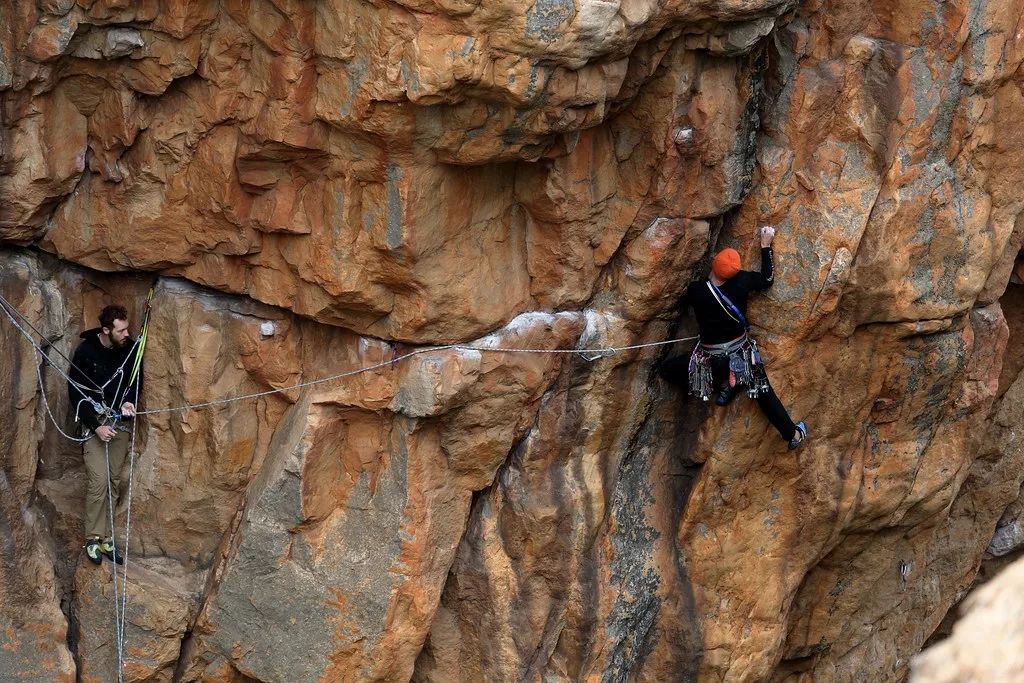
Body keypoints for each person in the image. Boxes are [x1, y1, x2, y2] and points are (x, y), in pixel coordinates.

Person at [660, 226, 806, 449]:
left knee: (667, 369)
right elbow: (767, 279)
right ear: (735, 271)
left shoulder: (696, 291)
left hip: (711, 363)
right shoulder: (742, 282)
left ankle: (722, 384)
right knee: (765, 396)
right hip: (742, 358)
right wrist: (765, 245)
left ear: (714, 264)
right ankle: (793, 435)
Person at [67, 304, 143, 565]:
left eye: (127, 328)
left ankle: (107, 538)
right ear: (106, 330)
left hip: (119, 422)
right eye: (121, 330)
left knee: (112, 481)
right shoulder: (86, 352)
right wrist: (95, 425)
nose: (126, 333)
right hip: (94, 424)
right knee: (98, 481)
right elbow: (75, 392)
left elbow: (135, 380)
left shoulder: (129, 349)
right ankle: (93, 538)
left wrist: (129, 402)